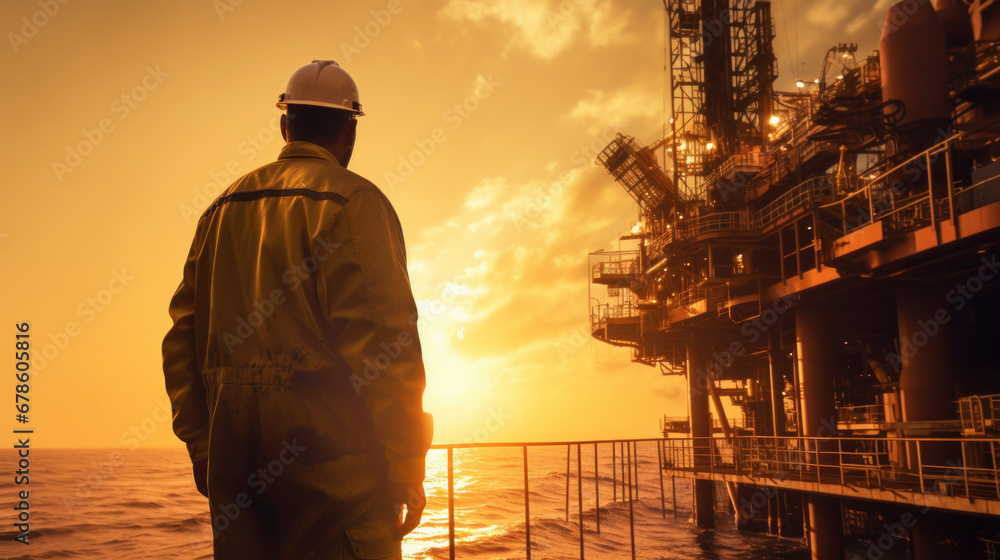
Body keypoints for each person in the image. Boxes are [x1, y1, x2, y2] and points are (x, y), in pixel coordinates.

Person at [162, 60, 432, 560]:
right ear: (350, 130)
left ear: (285, 124)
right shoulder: (354, 203)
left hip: (236, 468)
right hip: (337, 475)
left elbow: (181, 341)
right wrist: (405, 468)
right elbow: (386, 347)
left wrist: (204, 447)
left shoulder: (220, 210)